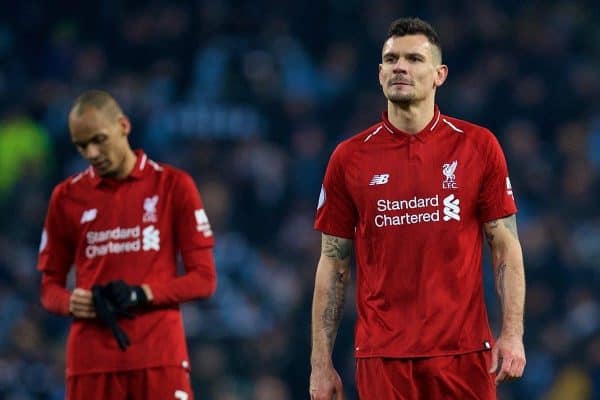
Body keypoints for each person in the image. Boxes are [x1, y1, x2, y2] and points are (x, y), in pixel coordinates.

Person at [309, 17, 526, 400]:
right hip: (383, 357)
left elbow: (505, 245)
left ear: (439, 74)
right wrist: (320, 364)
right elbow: (333, 262)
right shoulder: (349, 158)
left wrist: (512, 334)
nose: (400, 67)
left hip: (463, 352)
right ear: (379, 74)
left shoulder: (477, 146)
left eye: (413, 59)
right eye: (391, 59)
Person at [37, 90, 217, 400]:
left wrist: (142, 293)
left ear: (123, 126)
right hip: (91, 362)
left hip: (159, 357)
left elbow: (204, 280)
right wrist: (70, 302)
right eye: (82, 146)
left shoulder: (173, 185)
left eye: (99, 139)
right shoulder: (65, 197)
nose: (92, 153)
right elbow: (48, 288)